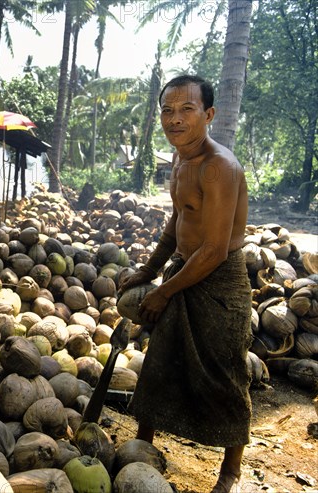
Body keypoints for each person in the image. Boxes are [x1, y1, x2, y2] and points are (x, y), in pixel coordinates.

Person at [119, 75, 252, 493]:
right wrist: (150, 270)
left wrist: (162, 291)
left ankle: (230, 470)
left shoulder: (219, 168)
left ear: (208, 114)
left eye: (186, 110)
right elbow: (178, 222)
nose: (174, 119)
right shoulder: (180, 160)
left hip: (220, 280)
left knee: (223, 374)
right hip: (183, 269)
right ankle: (143, 443)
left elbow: (213, 250)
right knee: (161, 360)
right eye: (167, 110)